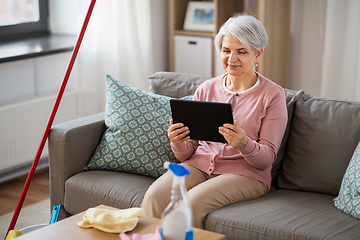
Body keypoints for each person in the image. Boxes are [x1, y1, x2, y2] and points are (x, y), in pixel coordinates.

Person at [141, 15, 288, 229]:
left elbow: (266, 159)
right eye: (226, 50)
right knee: (155, 196)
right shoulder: (206, 89)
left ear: (258, 53)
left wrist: (244, 144)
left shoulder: (273, 95)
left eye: (242, 51)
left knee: (188, 205)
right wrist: (178, 142)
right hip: (198, 165)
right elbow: (187, 153)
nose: (232, 58)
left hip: (245, 174)